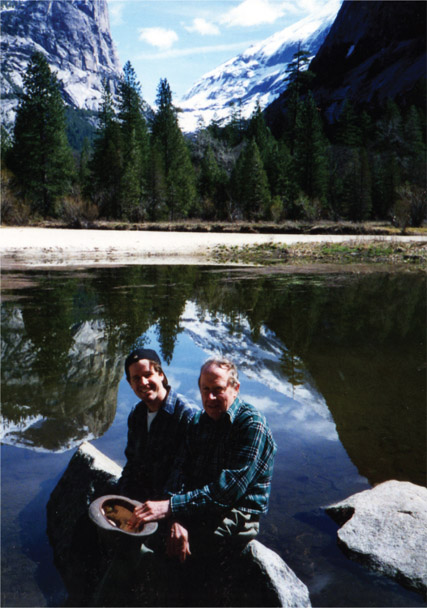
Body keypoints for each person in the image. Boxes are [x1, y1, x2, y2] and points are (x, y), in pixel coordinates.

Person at [130, 356, 277, 590]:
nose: (209, 398)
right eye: (205, 389)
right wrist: (176, 519)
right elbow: (179, 474)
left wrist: (170, 508)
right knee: (159, 535)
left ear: (235, 389)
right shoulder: (198, 421)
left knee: (186, 551)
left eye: (217, 390)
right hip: (200, 505)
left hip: (238, 511)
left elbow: (227, 492)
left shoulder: (251, 425)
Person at [93, 347, 198, 607]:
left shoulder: (187, 415)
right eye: (135, 379)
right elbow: (132, 466)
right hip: (145, 504)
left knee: (131, 552)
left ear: (161, 374)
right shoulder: (137, 415)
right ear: (129, 384)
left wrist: (175, 517)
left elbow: (190, 473)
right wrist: (120, 504)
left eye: (147, 375)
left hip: (172, 507)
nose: (143, 383)